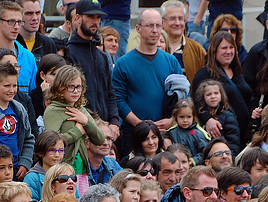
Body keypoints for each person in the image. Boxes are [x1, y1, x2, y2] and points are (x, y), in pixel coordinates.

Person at [111, 8, 182, 154]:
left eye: (158, 25)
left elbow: (183, 98)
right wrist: (139, 124)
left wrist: (173, 119)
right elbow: (118, 100)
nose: (155, 30)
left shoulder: (171, 62)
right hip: (133, 135)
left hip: (165, 135)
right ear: (138, 28)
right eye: (150, 25)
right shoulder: (123, 63)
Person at [66, 0, 120, 137]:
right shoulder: (69, 53)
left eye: (98, 17)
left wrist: (114, 121)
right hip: (81, 127)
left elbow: (110, 90)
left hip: (105, 127)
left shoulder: (102, 56)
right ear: (78, 18)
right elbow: (68, 95)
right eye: (90, 17)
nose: (95, 21)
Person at [43, 65, 104, 175]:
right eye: (71, 87)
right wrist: (77, 131)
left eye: (79, 87)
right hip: (62, 170)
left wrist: (86, 122)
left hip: (81, 168)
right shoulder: (53, 110)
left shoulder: (80, 110)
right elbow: (52, 143)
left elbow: (100, 139)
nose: (76, 91)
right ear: (60, 87)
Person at [192, 31, 251, 142]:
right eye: (224, 48)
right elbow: (196, 102)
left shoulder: (238, 71)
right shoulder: (205, 73)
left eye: (231, 47)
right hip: (225, 134)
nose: (228, 52)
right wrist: (208, 119)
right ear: (214, 50)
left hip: (244, 134)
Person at [160, 0, 205, 85]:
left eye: (180, 18)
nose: (177, 23)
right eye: (172, 18)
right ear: (162, 22)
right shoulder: (155, 49)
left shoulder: (197, 50)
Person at [193, 80, 240, 154]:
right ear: (203, 97)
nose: (213, 96)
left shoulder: (228, 115)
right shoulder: (199, 116)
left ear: (221, 95)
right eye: (208, 94)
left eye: (216, 93)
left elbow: (233, 142)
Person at [23, 130, 65, 201]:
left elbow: (76, 199)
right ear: (41, 153)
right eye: (52, 151)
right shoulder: (32, 178)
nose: (57, 155)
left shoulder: (67, 174)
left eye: (61, 150)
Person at [165, 98, 210, 165]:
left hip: (194, 167)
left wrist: (193, 161)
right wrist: (165, 139)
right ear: (176, 117)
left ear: (193, 117)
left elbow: (205, 152)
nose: (185, 120)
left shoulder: (198, 133)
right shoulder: (172, 132)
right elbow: (162, 136)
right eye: (181, 117)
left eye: (188, 117)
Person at [16, 0, 57, 67]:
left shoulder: (48, 44)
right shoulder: (11, 43)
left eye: (38, 13)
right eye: (29, 13)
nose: (35, 18)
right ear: (18, 15)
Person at [30, 53, 67, 120]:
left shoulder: (68, 92)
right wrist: (46, 94)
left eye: (62, 74)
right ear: (43, 75)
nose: (58, 78)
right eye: (54, 74)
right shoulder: (35, 96)